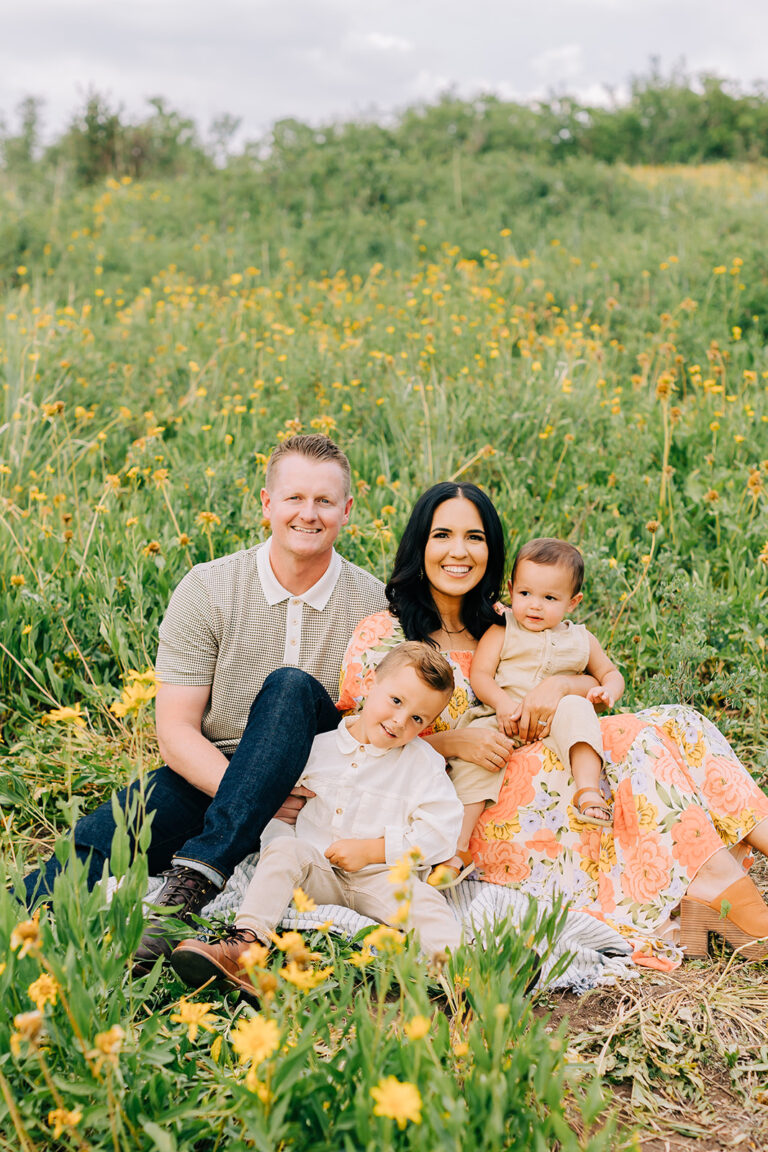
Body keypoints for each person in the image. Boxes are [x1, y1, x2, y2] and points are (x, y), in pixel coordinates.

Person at [337, 481, 768, 965]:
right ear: (420, 544)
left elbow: (594, 691)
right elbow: (358, 742)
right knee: (631, 736)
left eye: (475, 537)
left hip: (540, 758)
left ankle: (717, 874)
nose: (458, 551)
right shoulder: (386, 631)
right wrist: (455, 743)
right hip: (464, 797)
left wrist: (559, 685)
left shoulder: (512, 618)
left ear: (493, 550)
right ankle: (714, 884)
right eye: (442, 535)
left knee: (678, 720)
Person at [22, 434, 387, 971]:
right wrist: (255, 796)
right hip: (214, 772)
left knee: (289, 685)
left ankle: (184, 895)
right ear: (266, 504)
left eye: (324, 502)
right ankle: (15, 917)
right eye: (294, 499)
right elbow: (176, 732)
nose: (308, 514)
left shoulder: (371, 602)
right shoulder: (209, 588)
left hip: (319, 786)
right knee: (104, 834)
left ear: (346, 511)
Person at [170, 641, 463, 994]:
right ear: (370, 684)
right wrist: (280, 848)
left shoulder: (422, 764)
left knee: (426, 903)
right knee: (282, 851)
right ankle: (246, 946)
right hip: (316, 870)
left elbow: (440, 831)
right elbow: (283, 816)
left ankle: (465, 971)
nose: (400, 722)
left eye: (418, 718)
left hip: (382, 878)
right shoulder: (316, 748)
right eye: (396, 701)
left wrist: (374, 851)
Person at [429, 537, 624, 888]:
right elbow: (481, 675)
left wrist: (606, 691)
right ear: (511, 589)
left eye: (550, 598)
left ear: (573, 602)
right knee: (476, 763)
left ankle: (587, 790)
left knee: (577, 709)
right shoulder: (503, 629)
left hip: (554, 721)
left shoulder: (582, 640)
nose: (535, 606)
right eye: (525, 594)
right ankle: (457, 850)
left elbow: (610, 674)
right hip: (502, 718)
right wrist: (503, 704)